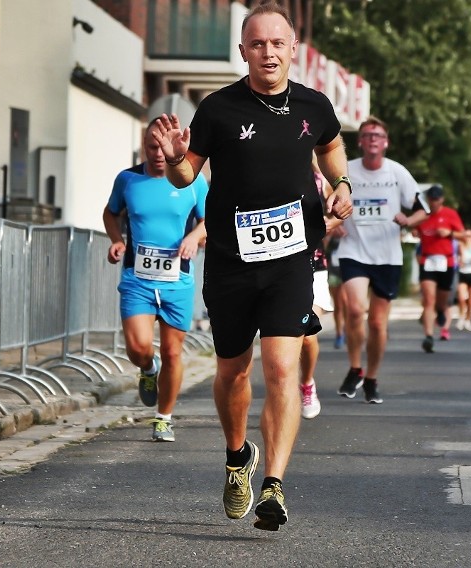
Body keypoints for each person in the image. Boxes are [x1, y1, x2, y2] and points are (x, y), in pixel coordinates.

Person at [151, 3, 352, 531]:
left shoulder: (314, 104)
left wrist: (341, 186)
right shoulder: (218, 109)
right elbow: (182, 177)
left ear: (292, 49)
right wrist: (176, 159)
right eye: (257, 44)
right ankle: (239, 456)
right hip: (231, 261)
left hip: (291, 259)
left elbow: (332, 147)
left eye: (277, 43)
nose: (268, 52)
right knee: (232, 371)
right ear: (243, 51)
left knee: (282, 368)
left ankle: (275, 487)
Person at [102, 118, 208, 443]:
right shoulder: (128, 180)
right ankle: (149, 369)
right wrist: (116, 239)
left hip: (178, 279)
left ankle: (164, 417)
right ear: (144, 147)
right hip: (138, 277)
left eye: (163, 146)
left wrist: (194, 236)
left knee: (175, 353)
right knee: (138, 347)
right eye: (152, 146)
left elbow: (210, 220)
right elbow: (110, 213)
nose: (159, 152)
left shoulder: (195, 182)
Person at [336, 115, 428, 403]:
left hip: (387, 255)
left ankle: (371, 377)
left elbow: (422, 209)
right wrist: (333, 221)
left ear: (385, 142)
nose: (373, 139)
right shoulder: (346, 170)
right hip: (353, 249)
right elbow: (325, 196)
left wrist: (408, 219)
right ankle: (355, 367)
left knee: (377, 323)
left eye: (378, 135)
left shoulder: (397, 173)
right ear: (360, 142)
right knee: (354, 310)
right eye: (367, 135)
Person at [299, 163, 342, 420]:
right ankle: (281, 389)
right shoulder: (270, 169)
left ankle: (306, 383)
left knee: (306, 332)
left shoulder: (319, 179)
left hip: (313, 264)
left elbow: (340, 210)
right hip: (277, 262)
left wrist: (329, 224)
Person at [416, 184, 466, 353]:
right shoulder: (423, 215)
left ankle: (440, 310)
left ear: (442, 199)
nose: (434, 202)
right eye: (431, 199)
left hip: (446, 262)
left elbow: (465, 235)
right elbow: (413, 227)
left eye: (437, 199)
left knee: (442, 298)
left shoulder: (450, 214)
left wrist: (450, 234)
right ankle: (428, 336)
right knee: (428, 298)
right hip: (428, 260)